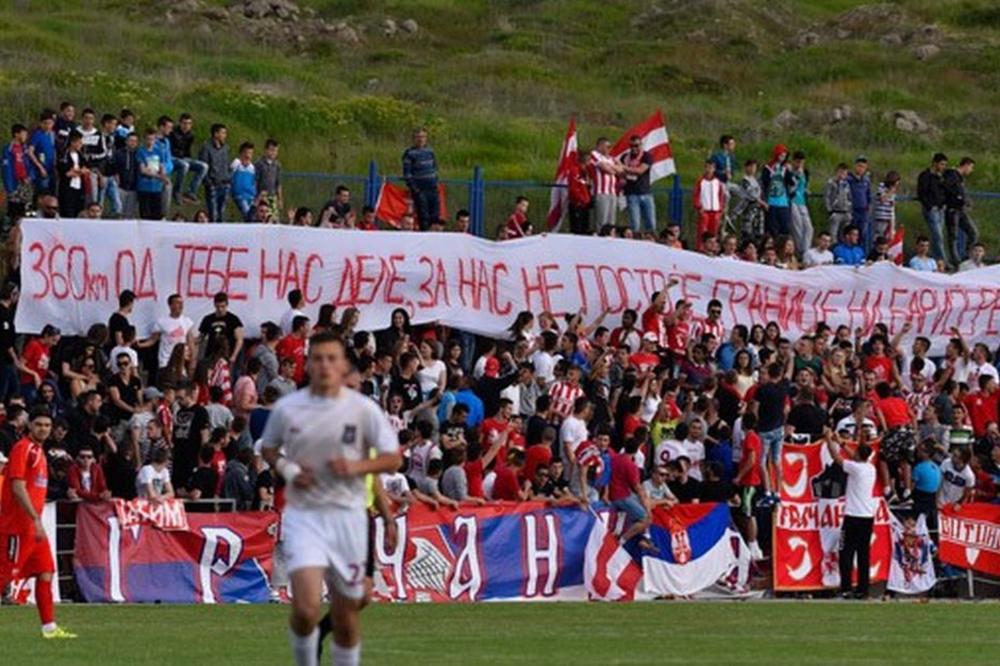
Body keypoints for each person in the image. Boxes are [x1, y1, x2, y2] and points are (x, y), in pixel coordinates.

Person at [260, 332, 400, 666]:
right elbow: (268, 448)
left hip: (349, 520)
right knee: (306, 610)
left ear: (342, 366)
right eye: (318, 358)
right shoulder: (288, 408)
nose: (324, 364)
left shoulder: (363, 410)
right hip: (305, 516)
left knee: (346, 615)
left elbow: (392, 459)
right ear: (307, 364)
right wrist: (291, 471)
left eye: (331, 358)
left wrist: (356, 466)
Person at [0, 408, 76, 638]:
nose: (43, 429)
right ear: (29, 426)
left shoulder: (40, 452)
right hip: (17, 526)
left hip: (32, 527)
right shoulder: (23, 449)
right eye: (39, 424)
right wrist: (35, 518)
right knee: (4, 576)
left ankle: (49, 628)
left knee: (46, 572)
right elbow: (17, 485)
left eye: (47, 425)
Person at [826, 433, 876, 599]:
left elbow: (837, 458)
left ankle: (846, 588)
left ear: (858, 455)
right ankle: (863, 589)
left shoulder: (856, 468)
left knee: (845, 552)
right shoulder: (870, 468)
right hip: (867, 517)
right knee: (863, 554)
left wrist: (829, 440)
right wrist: (841, 442)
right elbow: (852, 455)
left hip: (853, 517)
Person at [401, 128, 439, 230]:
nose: (420, 139)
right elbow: (407, 173)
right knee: (423, 216)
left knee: (435, 215)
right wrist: (415, 189)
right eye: (418, 137)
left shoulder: (430, 151)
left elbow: (435, 167)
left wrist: (435, 181)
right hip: (420, 190)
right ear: (414, 139)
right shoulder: (409, 153)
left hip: (432, 188)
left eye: (423, 137)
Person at [943, 156, 977, 269]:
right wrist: (958, 198)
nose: (971, 171)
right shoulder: (952, 175)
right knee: (953, 236)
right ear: (966, 165)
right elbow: (948, 188)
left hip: (961, 210)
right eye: (971, 167)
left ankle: (966, 256)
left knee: (973, 232)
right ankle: (956, 261)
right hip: (953, 209)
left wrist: (965, 200)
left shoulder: (960, 178)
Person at [916, 152, 948, 262]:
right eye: (941, 164)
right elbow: (922, 192)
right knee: (937, 235)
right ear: (935, 163)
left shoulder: (940, 177)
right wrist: (929, 206)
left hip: (940, 208)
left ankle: (937, 259)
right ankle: (942, 259)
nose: (943, 167)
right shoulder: (925, 176)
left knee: (938, 236)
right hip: (932, 209)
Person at [621, 134, 655, 232]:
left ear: (641, 145)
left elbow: (640, 171)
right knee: (635, 224)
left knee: (651, 223)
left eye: (636, 145)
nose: (634, 148)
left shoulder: (646, 156)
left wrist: (624, 168)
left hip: (645, 193)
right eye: (631, 146)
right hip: (631, 193)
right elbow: (620, 172)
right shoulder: (625, 157)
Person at [588, 137, 623, 230]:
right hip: (601, 192)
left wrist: (612, 167)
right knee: (601, 221)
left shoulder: (611, 158)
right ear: (600, 146)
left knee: (611, 222)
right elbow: (606, 169)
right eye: (607, 146)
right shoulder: (594, 154)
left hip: (612, 193)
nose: (609, 149)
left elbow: (621, 170)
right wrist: (614, 168)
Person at [198, 123, 230, 222]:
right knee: (213, 213)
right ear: (216, 134)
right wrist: (209, 182)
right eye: (223, 133)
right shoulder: (206, 147)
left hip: (224, 183)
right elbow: (204, 166)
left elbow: (226, 164)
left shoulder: (225, 148)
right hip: (213, 184)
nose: (225, 135)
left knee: (222, 212)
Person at [692, 160, 726, 251]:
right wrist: (699, 206)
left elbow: (721, 196)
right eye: (707, 167)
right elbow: (696, 195)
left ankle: (712, 248)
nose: (709, 169)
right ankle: (700, 248)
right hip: (705, 211)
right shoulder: (700, 181)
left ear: (714, 169)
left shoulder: (717, 182)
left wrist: (720, 210)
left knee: (714, 232)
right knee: (702, 232)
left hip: (715, 211)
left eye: (711, 167)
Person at [136, 128, 169, 220]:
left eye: (152, 139)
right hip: (144, 187)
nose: (150, 142)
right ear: (144, 139)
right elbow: (143, 170)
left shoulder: (158, 151)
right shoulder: (141, 151)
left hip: (157, 188)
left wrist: (164, 176)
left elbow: (162, 166)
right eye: (148, 139)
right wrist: (159, 176)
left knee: (157, 214)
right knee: (145, 214)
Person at [786, 150, 812, 256]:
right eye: (797, 162)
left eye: (801, 162)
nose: (799, 165)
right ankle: (799, 250)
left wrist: (806, 190)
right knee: (797, 227)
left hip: (802, 202)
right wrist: (795, 175)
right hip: (792, 201)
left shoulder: (804, 172)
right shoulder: (790, 171)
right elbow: (790, 186)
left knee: (808, 227)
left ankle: (806, 250)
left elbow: (804, 185)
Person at [847, 156, 872, 251]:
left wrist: (868, 206)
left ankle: (860, 251)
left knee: (862, 233)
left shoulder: (866, 180)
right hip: (853, 210)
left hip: (863, 210)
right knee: (851, 231)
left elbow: (868, 194)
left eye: (863, 167)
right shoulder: (849, 179)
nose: (861, 169)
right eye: (859, 166)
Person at [824, 162, 852, 241]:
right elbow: (827, 196)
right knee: (833, 235)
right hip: (835, 212)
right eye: (841, 172)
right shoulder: (831, 182)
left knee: (845, 234)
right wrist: (830, 211)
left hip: (846, 212)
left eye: (845, 172)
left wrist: (849, 211)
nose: (842, 174)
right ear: (837, 171)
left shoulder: (846, 184)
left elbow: (849, 197)